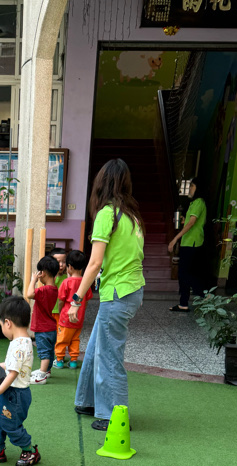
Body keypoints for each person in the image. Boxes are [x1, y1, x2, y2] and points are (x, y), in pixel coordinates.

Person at [69, 159, 145, 432]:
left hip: (118, 293)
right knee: (96, 347)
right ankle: (86, 401)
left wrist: (76, 300)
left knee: (109, 356)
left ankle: (114, 415)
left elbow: (94, 263)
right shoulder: (132, 216)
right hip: (131, 290)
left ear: (101, 183)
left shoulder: (106, 215)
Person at [0, 296, 41, 466]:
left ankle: (30, 450)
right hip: (9, 392)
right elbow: (11, 365)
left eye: (1, 325)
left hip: (15, 394)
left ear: (7, 323)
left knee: (11, 425)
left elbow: (13, 373)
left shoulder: (18, 345)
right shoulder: (23, 341)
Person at [168, 179, 207, 311]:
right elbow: (189, 222)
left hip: (193, 242)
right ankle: (185, 302)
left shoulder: (199, 202)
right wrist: (183, 221)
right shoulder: (194, 203)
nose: (190, 188)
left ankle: (203, 295)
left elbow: (191, 223)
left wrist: (175, 239)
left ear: (198, 188)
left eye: (192, 186)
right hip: (188, 242)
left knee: (185, 273)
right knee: (185, 273)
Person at [54, 249, 92, 369]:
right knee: (75, 339)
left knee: (62, 339)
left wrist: (60, 311)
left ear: (69, 266)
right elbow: (87, 299)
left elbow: (61, 300)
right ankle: (74, 360)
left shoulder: (66, 282)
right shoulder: (85, 283)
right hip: (79, 318)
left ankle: (59, 360)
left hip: (66, 317)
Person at [25, 255, 59, 385]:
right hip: (51, 327)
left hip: (42, 328)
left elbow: (29, 294)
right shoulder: (54, 289)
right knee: (49, 351)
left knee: (44, 352)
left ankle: (42, 375)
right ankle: (47, 370)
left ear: (42, 273)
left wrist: (33, 280)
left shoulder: (44, 290)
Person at [50, 248, 68, 326]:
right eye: (58, 262)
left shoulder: (66, 278)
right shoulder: (49, 277)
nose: (61, 265)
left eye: (64, 262)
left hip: (62, 311)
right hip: (50, 310)